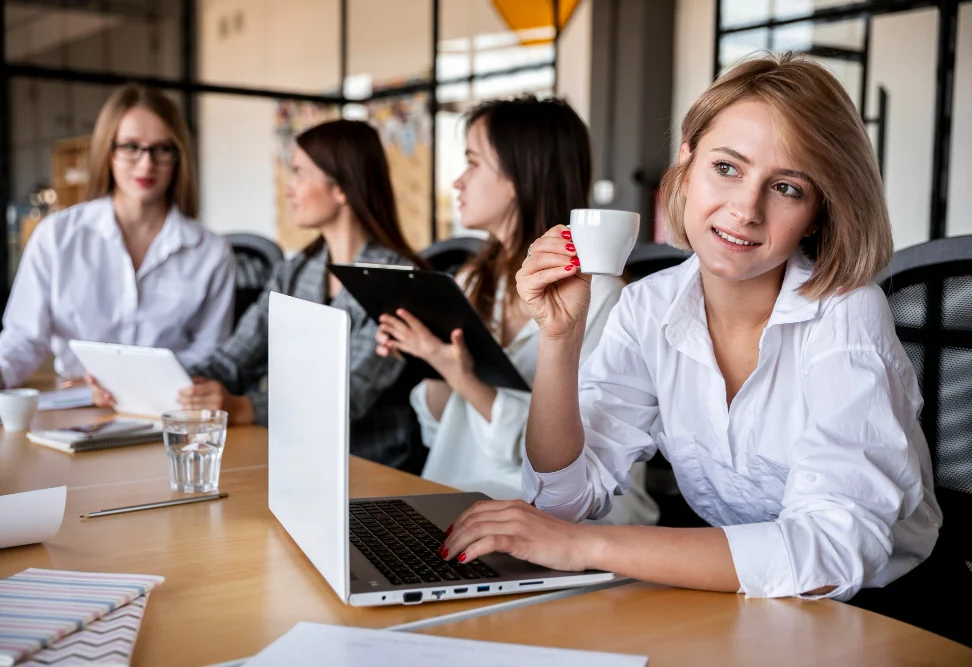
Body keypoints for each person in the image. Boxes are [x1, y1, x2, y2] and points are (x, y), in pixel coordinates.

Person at [438, 54, 943, 606]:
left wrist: (585, 546)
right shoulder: (648, 306)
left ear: (819, 212)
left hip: (879, 608)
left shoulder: (846, 313)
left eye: (787, 188)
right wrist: (560, 340)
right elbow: (563, 500)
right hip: (743, 595)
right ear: (686, 165)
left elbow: (830, 553)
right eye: (726, 168)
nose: (746, 209)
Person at [376, 96, 657, 524]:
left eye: (472, 163)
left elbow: (570, 469)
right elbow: (441, 429)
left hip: (568, 522)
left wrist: (462, 377)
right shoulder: (472, 281)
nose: (458, 182)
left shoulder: (600, 297)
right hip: (458, 498)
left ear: (517, 178)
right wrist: (429, 360)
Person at [156, 119, 424, 470]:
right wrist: (175, 383)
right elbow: (232, 360)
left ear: (341, 188)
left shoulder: (397, 280)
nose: (288, 190)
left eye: (299, 174)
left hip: (371, 467)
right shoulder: (293, 272)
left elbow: (349, 395)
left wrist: (245, 408)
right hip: (290, 455)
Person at [0, 85, 234, 395]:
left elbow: (210, 353)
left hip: (166, 406)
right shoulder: (57, 236)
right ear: (107, 150)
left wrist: (134, 383)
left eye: (162, 149)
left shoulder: (211, 252)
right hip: (77, 407)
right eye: (131, 147)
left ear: (179, 157)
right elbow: (25, 337)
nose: (146, 164)